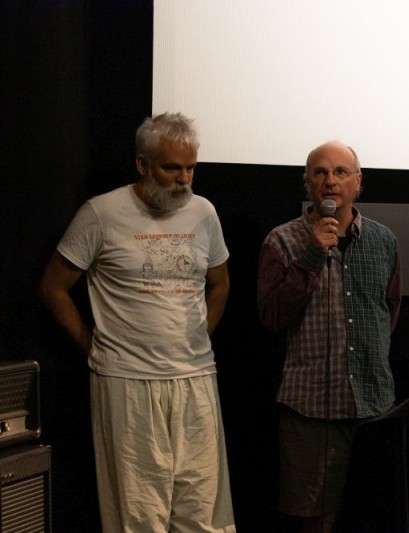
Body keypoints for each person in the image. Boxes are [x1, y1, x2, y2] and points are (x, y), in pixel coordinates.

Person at [38, 112, 236, 532]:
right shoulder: (102, 213)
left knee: (201, 513)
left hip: (195, 378)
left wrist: (201, 335)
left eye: (190, 168)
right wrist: (92, 346)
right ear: (143, 165)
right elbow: (54, 287)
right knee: (139, 514)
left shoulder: (204, 212)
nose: (184, 179)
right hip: (127, 381)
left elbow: (219, 284)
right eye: (171, 168)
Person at [257, 141, 402, 533]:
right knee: (316, 520)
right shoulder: (282, 241)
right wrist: (311, 256)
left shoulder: (384, 240)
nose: (330, 181)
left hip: (373, 405)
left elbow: (388, 311)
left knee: (374, 510)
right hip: (311, 407)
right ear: (307, 182)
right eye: (320, 172)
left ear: (358, 182)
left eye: (340, 172)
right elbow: (270, 316)